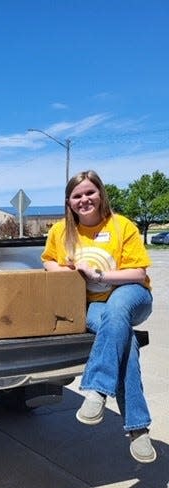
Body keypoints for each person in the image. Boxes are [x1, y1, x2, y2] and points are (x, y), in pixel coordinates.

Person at [41, 169, 155, 464]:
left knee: (118, 310)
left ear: (101, 194)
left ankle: (96, 390)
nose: (84, 200)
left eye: (90, 192)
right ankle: (138, 428)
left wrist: (99, 274)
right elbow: (48, 262)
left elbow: (138, 272)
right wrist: (69, 271)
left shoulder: (122, 226)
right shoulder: (60, 232)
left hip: (133, 294)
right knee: (123, 340)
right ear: (69, 203)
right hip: (93, 305)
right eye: (77, 196)